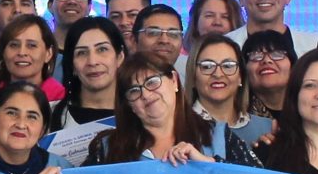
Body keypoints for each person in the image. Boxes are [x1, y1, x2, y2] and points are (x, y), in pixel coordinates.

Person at [88, 52, 259, 167]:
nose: (146, 95)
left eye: (152, 82)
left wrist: (208, 163)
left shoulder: (217, 135)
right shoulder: (108, 147)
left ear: (175, 81)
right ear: (129, 105)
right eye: (134, 91)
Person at [0, 12, 64, 116]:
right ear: (3, 53)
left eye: (32, 45)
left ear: (48, 53)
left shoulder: (63, 101)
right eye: (14, 45)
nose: (22, 52)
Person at [188, 34, 273, 146]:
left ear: (240, 77)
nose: (218, 74)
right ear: (193, 76)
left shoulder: (267, 128)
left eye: (228, 66)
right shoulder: (177, 126)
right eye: (207, 66)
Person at [55, 16, 126, 127]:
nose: (92, 62)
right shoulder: (49, 114)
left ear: (120, 57)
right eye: (82, 53)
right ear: (72, 64)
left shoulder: (141, 114)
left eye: (102, 49)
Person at [239, 28, 295, 121]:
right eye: (256, 55)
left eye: (277, 54)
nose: (267, 60)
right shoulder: (233, 115)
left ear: (292, 65)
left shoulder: (309, 110)